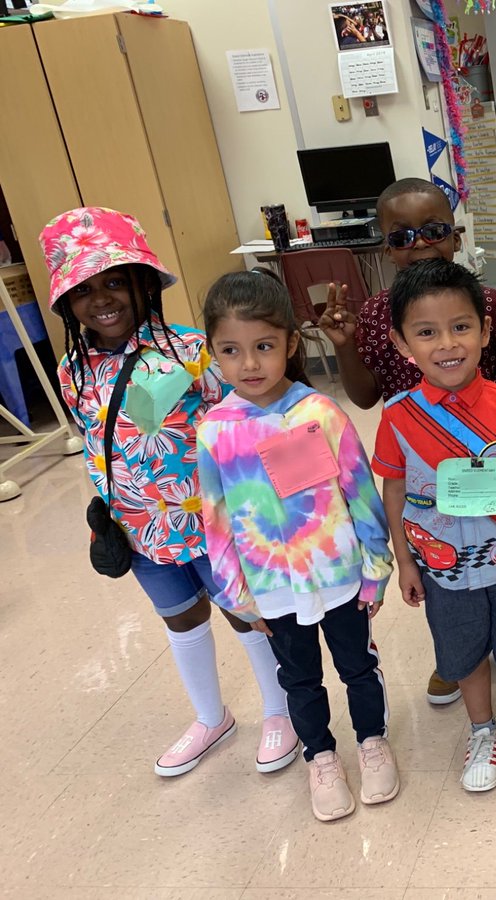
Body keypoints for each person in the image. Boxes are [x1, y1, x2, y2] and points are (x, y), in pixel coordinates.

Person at [43, 207, 296, 778]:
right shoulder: (72, 370)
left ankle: (278, 711)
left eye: (114, 281)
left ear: (143, 283)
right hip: (137, 529)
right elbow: (94, 441)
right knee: (180, 620)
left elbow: (238, 422)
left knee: (245, 616)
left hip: (212, 524)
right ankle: (211, 717)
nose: (101, 298)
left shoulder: (192, 350)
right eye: (83, 289)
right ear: (66, 303)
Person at [318, 176, 496, 708]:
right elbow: (365, 397)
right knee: (443, 564)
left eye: (433, 230)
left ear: (455, 236)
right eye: (401, 235)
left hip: (488, 457)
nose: (418, 243)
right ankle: (461, 653)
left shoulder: (492, 305)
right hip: (421, 473)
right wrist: (344, 347)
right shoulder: (372, 315)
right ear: (385, 247)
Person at [197, 271, 397, 822]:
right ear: (213, 353)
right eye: (231, 351)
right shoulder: (215, 429)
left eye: (263, 347)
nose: (250, 365)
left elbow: (360, 492)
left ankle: (372, 740)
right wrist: (236, 596)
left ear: (290, 342)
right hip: (272, 589)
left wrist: (375, 569)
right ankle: (320, 755)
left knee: (358, 665)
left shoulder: (319, 413)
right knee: (299, 678)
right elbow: (214, 519)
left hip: (338, 577)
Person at [374, 259, 496, 793]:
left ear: (483, 330)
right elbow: (393, 489)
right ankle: (482, 731)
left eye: (460, 326)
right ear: (401, 342)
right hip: (440, 567)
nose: (447, 343)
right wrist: (405, 560)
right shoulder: (397, 416)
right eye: (426, 332)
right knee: (463, 652)